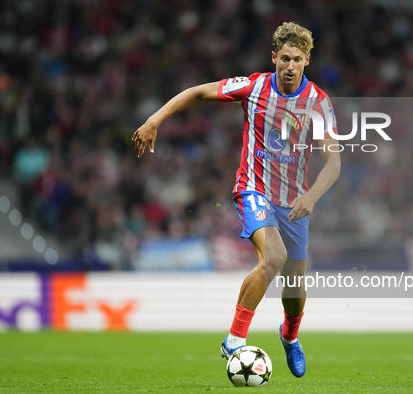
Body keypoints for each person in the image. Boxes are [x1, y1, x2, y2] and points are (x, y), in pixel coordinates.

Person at [132, 22, 340, 378]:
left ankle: (290, 336)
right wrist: (155, 119)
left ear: (307, 61)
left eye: (297, 60)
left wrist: (312, 195)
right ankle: (234, 339)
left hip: (295, 202)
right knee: (273, 257)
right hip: (253, 189)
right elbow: (198, 93)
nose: (290, 66)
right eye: (284, 58)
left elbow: (333, 162)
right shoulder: (255, 86)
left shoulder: (318, 103)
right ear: (274, 57)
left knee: (294, 282)